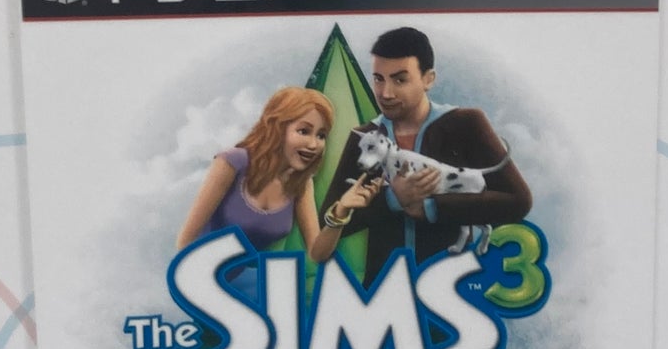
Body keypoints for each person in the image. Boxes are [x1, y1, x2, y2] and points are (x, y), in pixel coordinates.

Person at [319, 26, 531, 286]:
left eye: (400, 80)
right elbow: (326, 220)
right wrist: (393, 199)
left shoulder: (467, 123)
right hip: (382, 290)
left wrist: (432, 208)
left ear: (428, 79)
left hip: (455, 285)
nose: (385, 93)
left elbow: (518, 201)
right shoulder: (364, 137)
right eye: (378, 79)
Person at [177, 85, 381, 264]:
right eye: (303, 131)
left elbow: (317, 253)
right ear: (277, 128)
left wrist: (341, 210)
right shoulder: (231, 163)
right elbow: (185, 243)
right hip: (200, 277)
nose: (313, 144)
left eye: (321, 135)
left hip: (247, 280)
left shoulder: (301, 184)